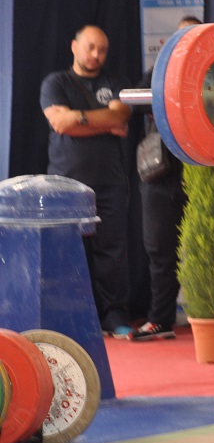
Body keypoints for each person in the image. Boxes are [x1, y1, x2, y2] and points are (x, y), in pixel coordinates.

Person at [40, 25, 134, 338]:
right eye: (90, 47)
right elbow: (60, 123)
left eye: (102, 50)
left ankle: (113, 314)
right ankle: (71, 318)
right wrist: (101, 121)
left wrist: (78, 117)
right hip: (66, 184)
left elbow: (119, 116)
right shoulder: (56, 82)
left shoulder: (116, 82)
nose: (96, 55)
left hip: (110, 183)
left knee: (112, 251)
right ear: (74, 46)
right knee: (67, 252)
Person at [130, 15, 201, 341]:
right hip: (158, 175)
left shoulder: (212, 72)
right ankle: (161, 319)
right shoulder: (159, 70)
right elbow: (133, 104)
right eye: (180, 37)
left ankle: (208, 313)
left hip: (200, 174)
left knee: (204, 249)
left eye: (191, 37)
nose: (184, 43)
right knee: (159, 249)